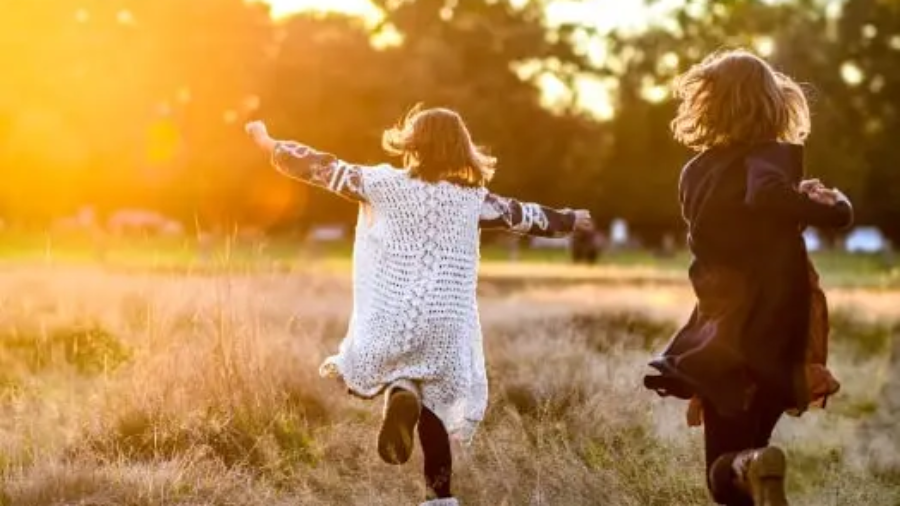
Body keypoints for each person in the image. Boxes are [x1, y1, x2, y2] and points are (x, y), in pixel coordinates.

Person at [245, 106, 592, 506]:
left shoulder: (379, 182)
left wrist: (269, 142)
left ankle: (398, 393)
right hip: (444, 322)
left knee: (381, 367)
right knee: (437, 413)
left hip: (392, 315)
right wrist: (570, 219)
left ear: (412, 143)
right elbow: (522, 215)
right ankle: (439, 497)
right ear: (461, 148)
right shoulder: (471, 199)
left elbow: (321, 167)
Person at [642, 49, 853, 506]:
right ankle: (756, 467)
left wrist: (796, 199)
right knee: (750, 443)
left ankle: (750, 467)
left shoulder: (695, 172)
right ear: (771, 103)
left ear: (710, 104)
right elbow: (763, 199)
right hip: (779, 324)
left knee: (723, 472)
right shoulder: (773, 156)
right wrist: (835, 205)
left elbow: (751, 205)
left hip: (726, 325)